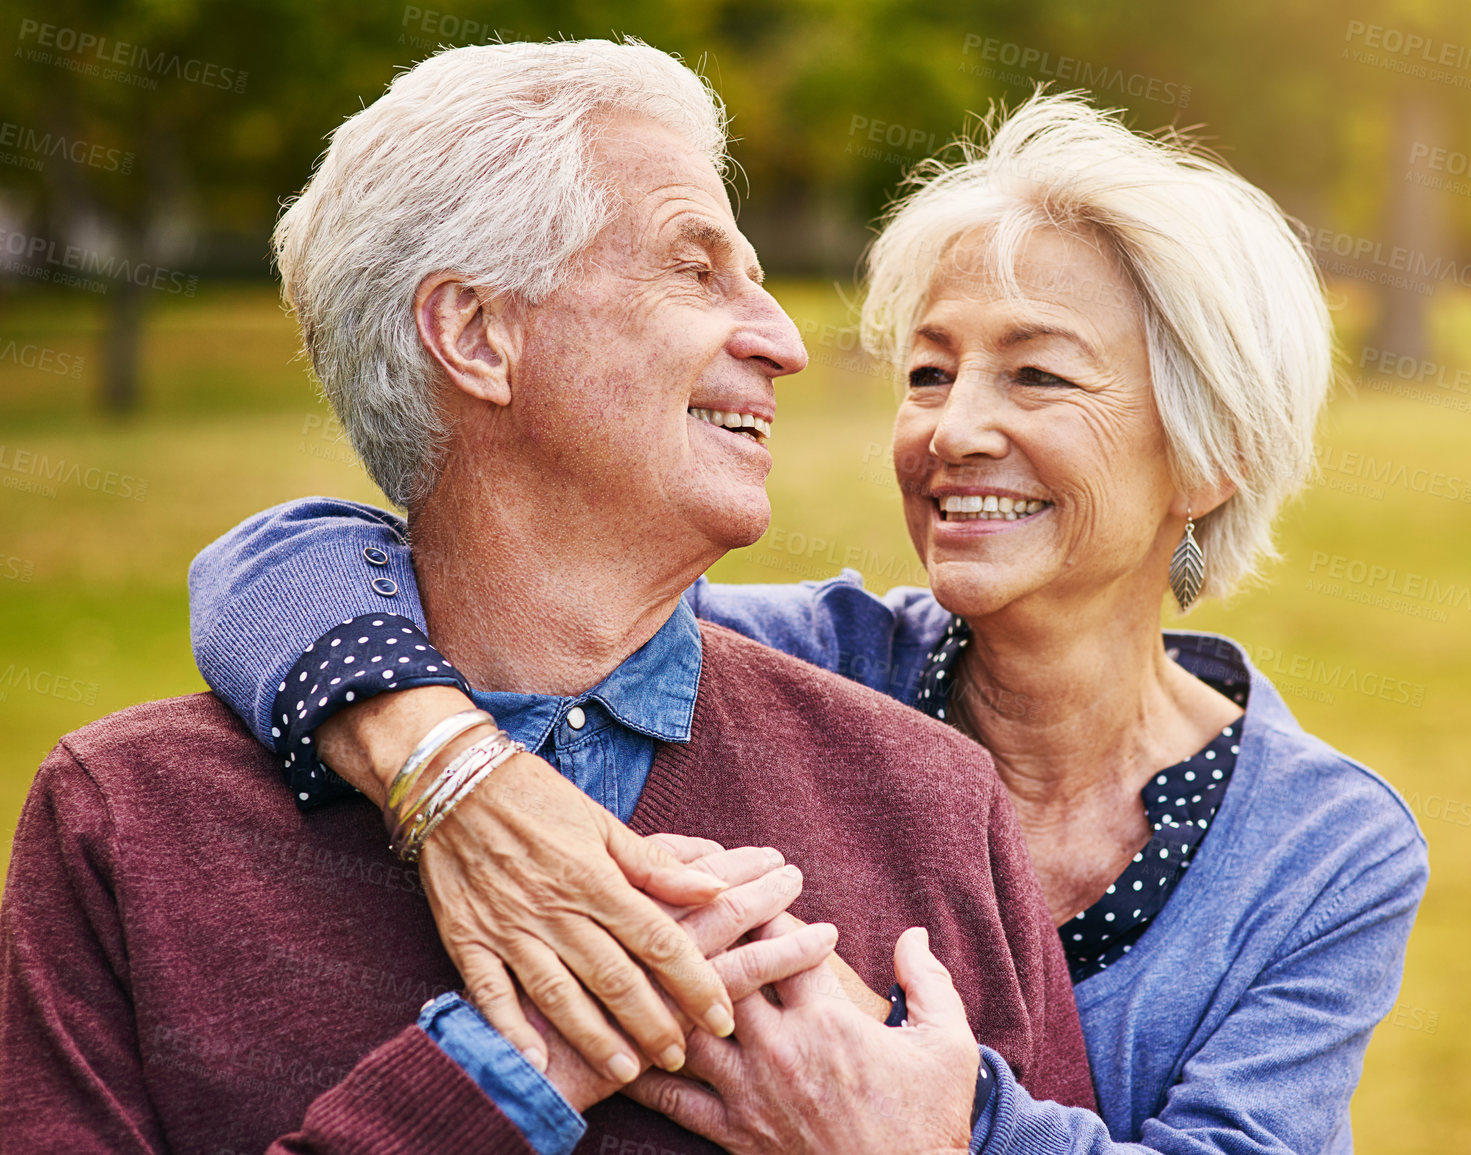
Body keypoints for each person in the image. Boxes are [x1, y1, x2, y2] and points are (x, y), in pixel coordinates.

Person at [189, 93, 1430, 1152]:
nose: (951, 433)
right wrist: (458, 782)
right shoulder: (795, 665)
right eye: (931, 372)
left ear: (1208, 453)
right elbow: (287, 565)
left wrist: (935, 1128)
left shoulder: (1321, 849)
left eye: (1038, 374)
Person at [0, 42, 1097, 1155]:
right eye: (695, 269)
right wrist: (490, 1083)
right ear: (476, 334)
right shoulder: (125, 823)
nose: (781, 341)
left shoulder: (932, 805)